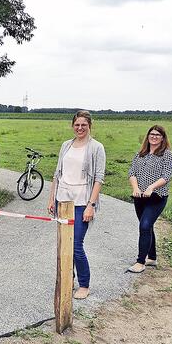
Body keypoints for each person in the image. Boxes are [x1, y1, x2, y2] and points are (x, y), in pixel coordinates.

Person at [47, 110, 106, 300]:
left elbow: (99, 179)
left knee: (76, 245)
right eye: (77, 124)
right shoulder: (66, 145)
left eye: (84, 125)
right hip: (63, 199)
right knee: (64, 242)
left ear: (90, 126)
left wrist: (91, 205)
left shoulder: (96, 148)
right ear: (73, 126)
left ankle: (84, 284)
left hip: (83, 201)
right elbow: (57, 174)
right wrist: (51, 199)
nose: (80, 128)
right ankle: (67, 278)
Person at [127, 125, 172, 273]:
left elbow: (166, 176)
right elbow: (132, 172)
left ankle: (140, 262)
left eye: (157, 135)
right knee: (147, 226)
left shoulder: (167, 155)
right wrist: (135, 188)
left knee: (145, 226)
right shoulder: (140, 154)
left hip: (156, 197)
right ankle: (152, 257)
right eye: (151, 134)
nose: (154, 137)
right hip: (139, 197)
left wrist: (151, 187)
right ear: (148, 136)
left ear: (163, 138)